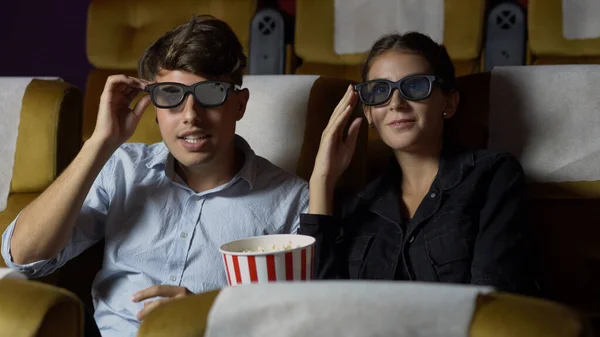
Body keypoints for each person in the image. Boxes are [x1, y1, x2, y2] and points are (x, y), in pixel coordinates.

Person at [2, 15, 308, 336]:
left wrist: (205, 316)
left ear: (240, 105)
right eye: (171, 95)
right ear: (154, 107)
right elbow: (24, 256)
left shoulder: (292, 201)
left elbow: (297, 321)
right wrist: (100, 143)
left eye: (211, 93)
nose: (190, 115)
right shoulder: (123, 167)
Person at [299, 32, 539, 294]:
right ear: (368, 112)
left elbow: (491, 299)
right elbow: (319, 300)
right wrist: (322, 179)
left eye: (414, 86)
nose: (396, 104)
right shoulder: (358, 203)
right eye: (380, 90)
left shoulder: (493, 175)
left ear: (449, 102)